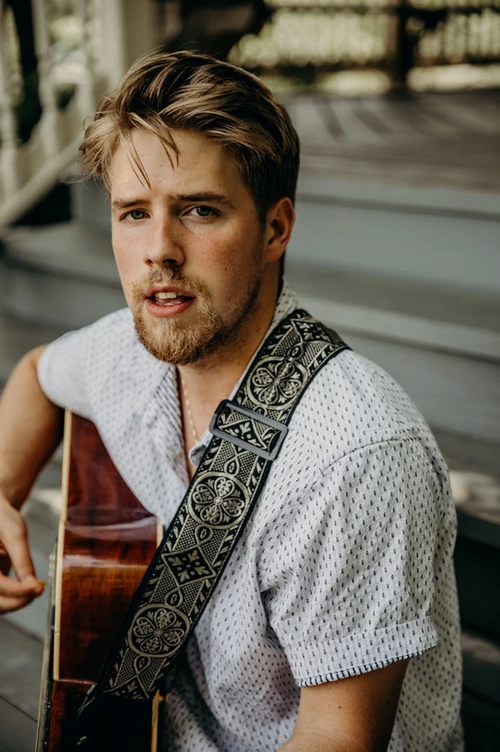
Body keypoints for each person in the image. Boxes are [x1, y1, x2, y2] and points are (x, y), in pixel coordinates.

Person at [0, 52, 463, 751]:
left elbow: (336, 741)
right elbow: (39, 373)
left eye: (199, 210)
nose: (159, 250)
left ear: (275, 229)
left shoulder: (353, 456)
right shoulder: (129, 354)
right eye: (134, 213)